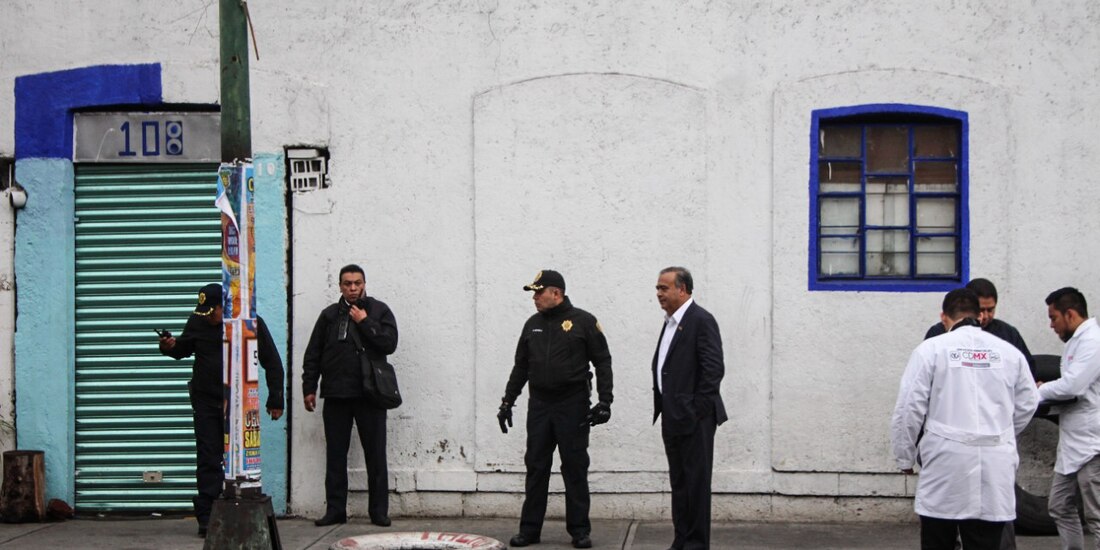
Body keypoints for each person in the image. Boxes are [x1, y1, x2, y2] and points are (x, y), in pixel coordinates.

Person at [892, 288, 1038, 550]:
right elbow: (1028, 402)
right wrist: (1001, 432)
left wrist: (905, 456)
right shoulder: (1009, 353)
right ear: (980, 316)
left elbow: (908, 408)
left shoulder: (931, 350)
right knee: (986, 540)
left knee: (939, 539)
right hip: (995, 463)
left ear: (944, 317)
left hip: (945, 462)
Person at [158, 283, 285, 538]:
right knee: (208, 458)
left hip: (238, 405)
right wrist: (169, 346)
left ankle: (240, 510)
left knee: (239, 461)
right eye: (203, 313)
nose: (207, 318)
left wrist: (275, 399)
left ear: (223, 306)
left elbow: (272, 361)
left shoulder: (248, 323)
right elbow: (183, 349)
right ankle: (207, 517)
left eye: (211, 312)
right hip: (206, 402)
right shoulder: (198, 321)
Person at [497, 270, 613, 549]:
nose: (535, 298)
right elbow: (521, 367)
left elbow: (603, 362)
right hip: (539, 405)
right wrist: (507, 401)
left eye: (539, 292)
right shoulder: (532, 325)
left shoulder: (584, 322)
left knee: (574, 467)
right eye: (534, 293)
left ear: (556, 293)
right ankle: (529, 530)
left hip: (572, 404)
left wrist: (605, 401)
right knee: (536, 466)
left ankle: (580, 530)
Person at [302, 264, 398, 527]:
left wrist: (365, 321)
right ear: (340, 286)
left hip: (371, 395)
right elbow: (313, 354)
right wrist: (309, 388)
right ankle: (335, 510)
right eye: (347, 284)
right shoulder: (329, 316)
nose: (353, 288)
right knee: (335, 456)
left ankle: (378, 512)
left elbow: (389, 344)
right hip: (337, 395)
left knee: (375, 456)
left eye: (357, 283)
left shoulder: (379, 310)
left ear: (364, 284)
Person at [651, 266, 728, 550]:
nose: (659, 293)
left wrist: (697, 411)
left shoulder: (700, 320)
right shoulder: (671, 322)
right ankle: (681, 540)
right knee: (680, 484)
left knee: (696, 485)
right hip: (672, 416)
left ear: (682, 289)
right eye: (657, 288)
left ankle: (696, 544)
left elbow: (713, 370)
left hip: (694, 419)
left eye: (664, 288)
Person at [1036, 287, 1100, 550]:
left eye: (1054, 318)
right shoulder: (1076, 342)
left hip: (1093, 445)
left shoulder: (1093, 341)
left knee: (1096, 515)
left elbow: (1073, 386)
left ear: (1070, 314)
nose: (1051, 325)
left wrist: (1038, 391)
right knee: (1060, 506)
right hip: (1073, 443)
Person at [925, 278, 1036, 379]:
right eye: (981, 310)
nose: (986, 316)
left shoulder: (1008, 333)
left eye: (990, 310)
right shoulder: (938, 333)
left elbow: (1027, 370)